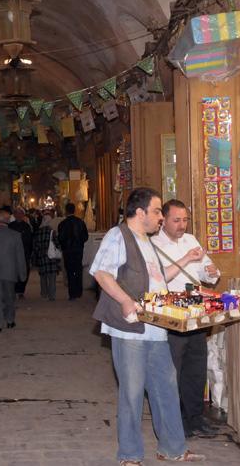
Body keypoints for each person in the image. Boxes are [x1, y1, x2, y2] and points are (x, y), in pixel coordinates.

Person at [91, 187, 207, 464]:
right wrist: (124, 300)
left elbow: (159, 278)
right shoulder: (118, 235)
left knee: (165, 387)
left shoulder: (148, 241)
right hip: (129, 329)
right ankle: (130, 454)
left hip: (155, 329)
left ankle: (172, 447)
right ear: (140, 212)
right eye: (157, 211)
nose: (160, 217)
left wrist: (186, 259)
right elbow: (101, 272)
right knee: (131, 392)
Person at [152, 200, 221, 437]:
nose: (182, 225)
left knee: (196, 366)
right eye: (176, 220)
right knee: (172, 368)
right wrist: (188, 261)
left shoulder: (191, 240)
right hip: (171, 312)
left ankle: (195, 417)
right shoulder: (153, 244)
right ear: (164, 220)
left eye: (185, 220)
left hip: (195, 310)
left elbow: (207, 270)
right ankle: (175, 419)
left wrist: (211, 272)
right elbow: (156, 279)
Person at [58, 203, 89, 301]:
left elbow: (61, 238)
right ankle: (79, 291)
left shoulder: (63, 224)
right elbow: (85, 237)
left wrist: (64, 246)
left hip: (67, 251)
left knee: (70, 271)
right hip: (78, 250)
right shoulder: (80, 222)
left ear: (66, 211)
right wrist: (80, 243)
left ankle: (72, 294)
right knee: (78, 270)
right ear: (74, 210)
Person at [32, 214, 61, 301]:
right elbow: (57, 244)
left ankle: (44, 293)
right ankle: (52, 295)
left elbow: (35, 246)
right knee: (52, 277)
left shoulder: (38, 232)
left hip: (42, 256)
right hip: (51, 257)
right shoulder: (52, 231)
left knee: (43, 277)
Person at [9, 207, 34, 300]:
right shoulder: (10, 226)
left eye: (20, 213)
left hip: (24, 253)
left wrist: (30, 253)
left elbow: (29, 240)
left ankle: (21, 290)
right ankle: (15, 289)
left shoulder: (26, 226)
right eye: (17, 213)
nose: (18, 215)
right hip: (13, 253)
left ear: (23, 215)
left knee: (24, 272)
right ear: (14, 215)